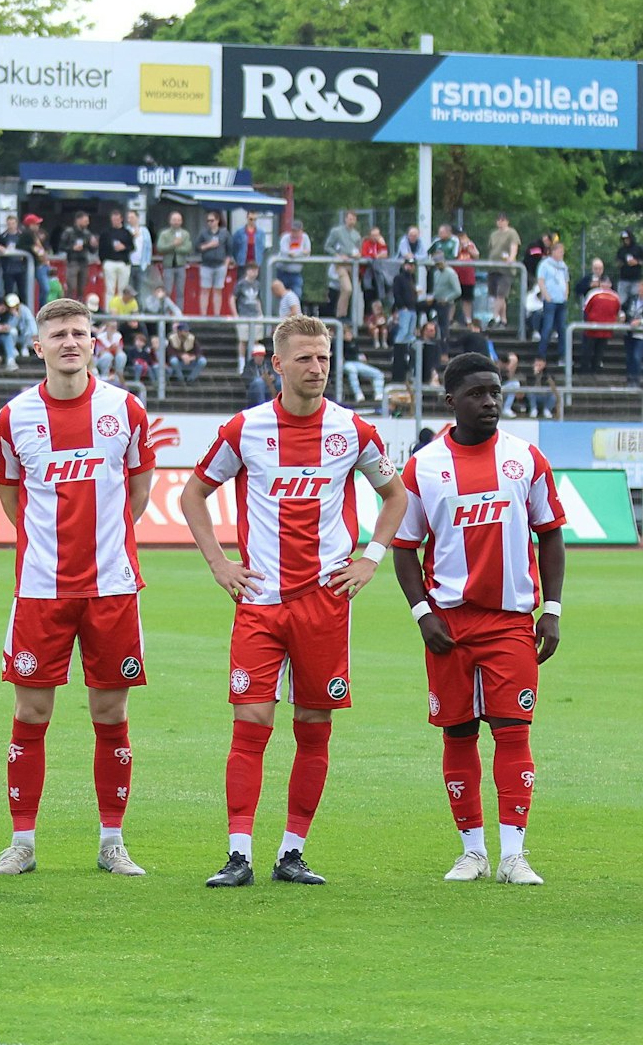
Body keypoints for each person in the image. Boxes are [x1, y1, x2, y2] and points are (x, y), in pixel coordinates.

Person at [181, 315, 409, 888]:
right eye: (305, 359)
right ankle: (238, 854)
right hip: (260, 601)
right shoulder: (246, 429)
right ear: (276, 364)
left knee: (314, 727)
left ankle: (292, 852)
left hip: (323, 604)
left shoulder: (352, 431)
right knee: (250, 724)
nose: (317, 369)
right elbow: (194, 494)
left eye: (325, 358)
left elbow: (395, 495)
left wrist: (371, 557)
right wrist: (219, 564)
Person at [0, 297, 155, 879]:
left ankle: (113, 842)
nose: (70, 342)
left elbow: (138, 490)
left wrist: (104, 545)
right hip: (40, 590)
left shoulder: (124, 410)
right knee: (30, 713)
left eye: (80, 333)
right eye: (58, 334)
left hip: (111, 588)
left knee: (110, 713)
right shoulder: (14, 417)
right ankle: (22, 842)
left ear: (94, 342)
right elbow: (12, 498)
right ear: (38, 346)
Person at [392, 353, 566, 886]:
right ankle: (473, 851)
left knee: (513, 730)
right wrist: (423, 614)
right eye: (477, 394)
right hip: (448, 625)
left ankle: (514, 853)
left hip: (511, 621)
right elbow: (404, 547)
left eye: (495, 392)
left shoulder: (526, 459)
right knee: (459, 733)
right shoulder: (423, 467)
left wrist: (552, 611)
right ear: (451, 402)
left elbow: (551, 534)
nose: (490, 401)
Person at [197, 212, 229, 317]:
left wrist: (226, 265)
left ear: (217, 220)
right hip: (206, 265)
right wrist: (209, 245)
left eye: (212, 220)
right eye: (208, 221)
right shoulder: (203, 234)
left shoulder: (224, 233)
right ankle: (203, 315)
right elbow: (197, 248)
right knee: (205, 290)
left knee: (218, 290)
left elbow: (229, 250)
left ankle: (217, 315)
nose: (210, 223)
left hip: (220, 265)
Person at [98, 210, 133, 305]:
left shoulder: (126, 232)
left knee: (122, 289)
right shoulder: (105, 233)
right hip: (109, 262)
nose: (115, 221)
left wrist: (124, 247)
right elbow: (101, 248)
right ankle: (109, 312)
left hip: (123, 263)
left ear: (121, 219)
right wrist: (103, 262)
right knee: (110, 289)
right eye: (113, 219)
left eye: (117, 219)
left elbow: (132, 247)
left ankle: (121, 311)